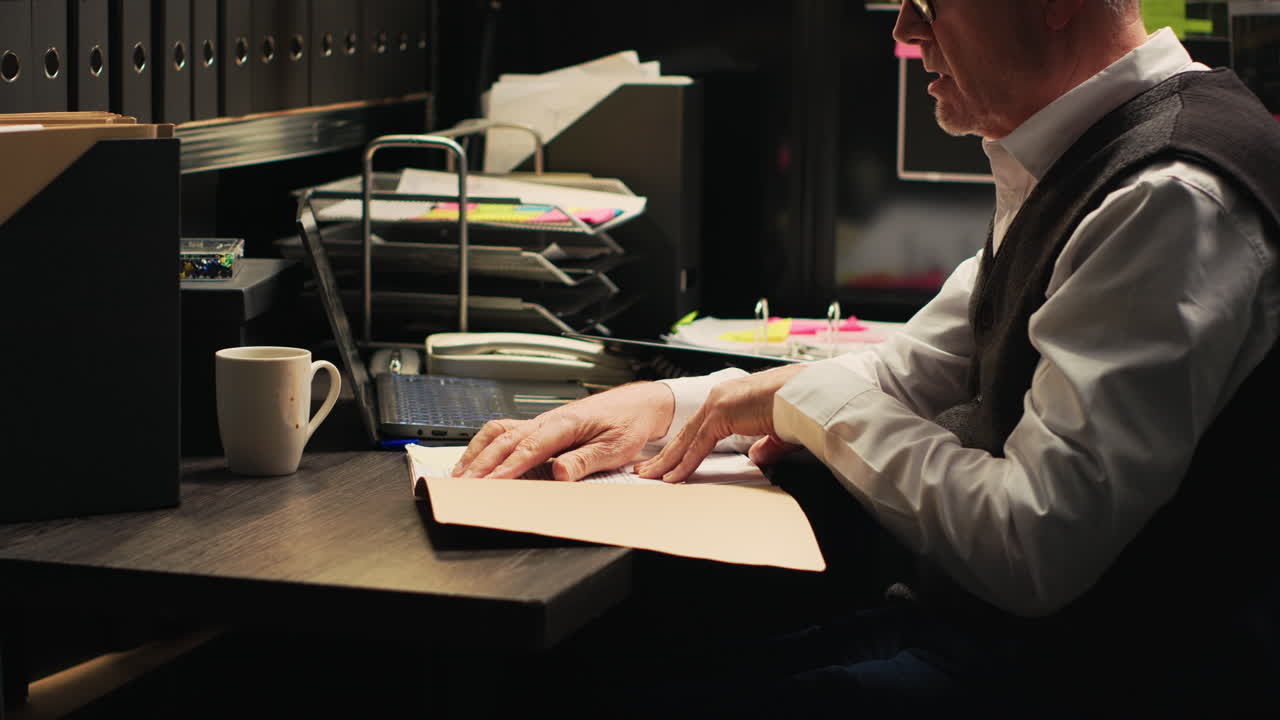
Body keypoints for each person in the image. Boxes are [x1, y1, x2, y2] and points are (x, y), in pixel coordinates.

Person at [456, 1, 1280, 716]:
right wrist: (671, 407)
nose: (904, 28)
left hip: (1096, 684)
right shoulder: (1093, 154)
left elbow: (1035, 545)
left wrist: (804, 400)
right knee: (591, 674)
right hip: (997, 645)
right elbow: (902, 374)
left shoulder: (1165, 194)